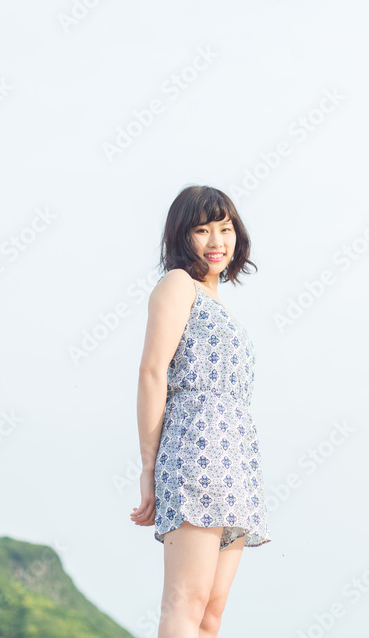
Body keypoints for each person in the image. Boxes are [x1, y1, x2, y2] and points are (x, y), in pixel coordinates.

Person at [129, 184, 272, 637]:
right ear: (181, 235)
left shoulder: (219, 303)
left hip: (236, 460)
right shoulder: (178, 284)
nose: (216, 241)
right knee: (186, 602)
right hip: (197, 451)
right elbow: (152, 372)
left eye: (225, 229)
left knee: (211, 613)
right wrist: (148, 469)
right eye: (202, 229)